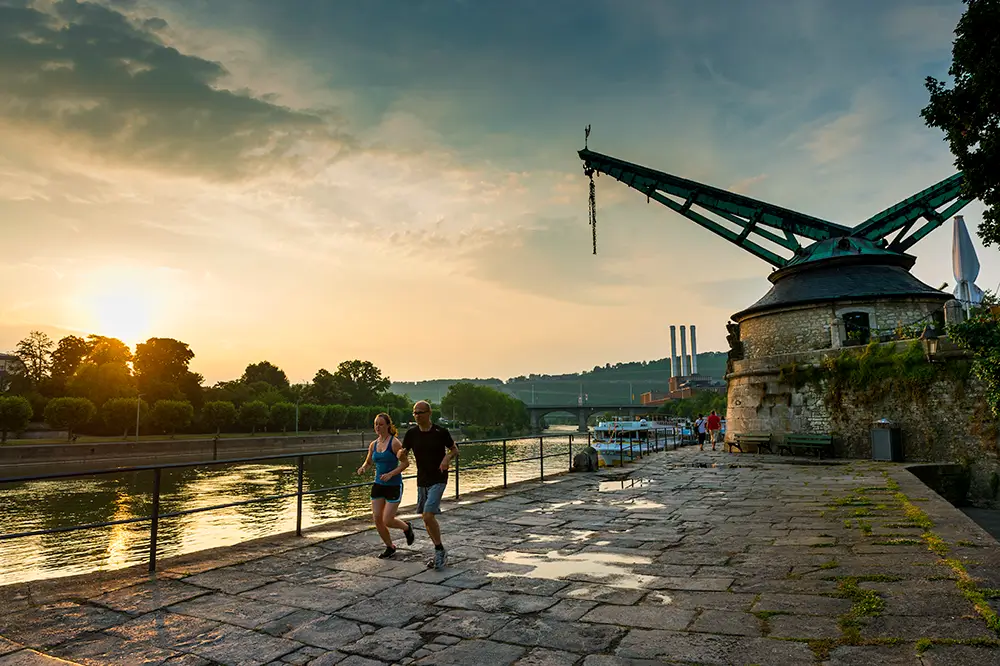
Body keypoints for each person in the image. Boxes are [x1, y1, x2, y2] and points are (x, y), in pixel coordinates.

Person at [403, 400, 459, 570]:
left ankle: (439, 550)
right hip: (422, 480)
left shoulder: (440, 432)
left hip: (439, 477)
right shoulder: (411, 434)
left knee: (428, 515)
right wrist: (400, 454)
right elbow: (403, 453)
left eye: (420, 412)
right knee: (426, 517)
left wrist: (446, 458)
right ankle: (439, 549)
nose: (417, 416)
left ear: (429, 413)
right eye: (415, 413)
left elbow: (454, 449)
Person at [357, 412, 414, 559]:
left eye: (381, 424)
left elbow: (405, 463)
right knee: (377, 518)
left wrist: (391, 474)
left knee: (387, 520)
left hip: (393, 486)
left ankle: (406, 527)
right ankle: (390, 546)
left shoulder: (394, 443)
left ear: (388, 426)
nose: (378, 427)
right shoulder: (373, 444)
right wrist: (363, 468)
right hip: (378, 484)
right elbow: (369, 462)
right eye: (376, 424)